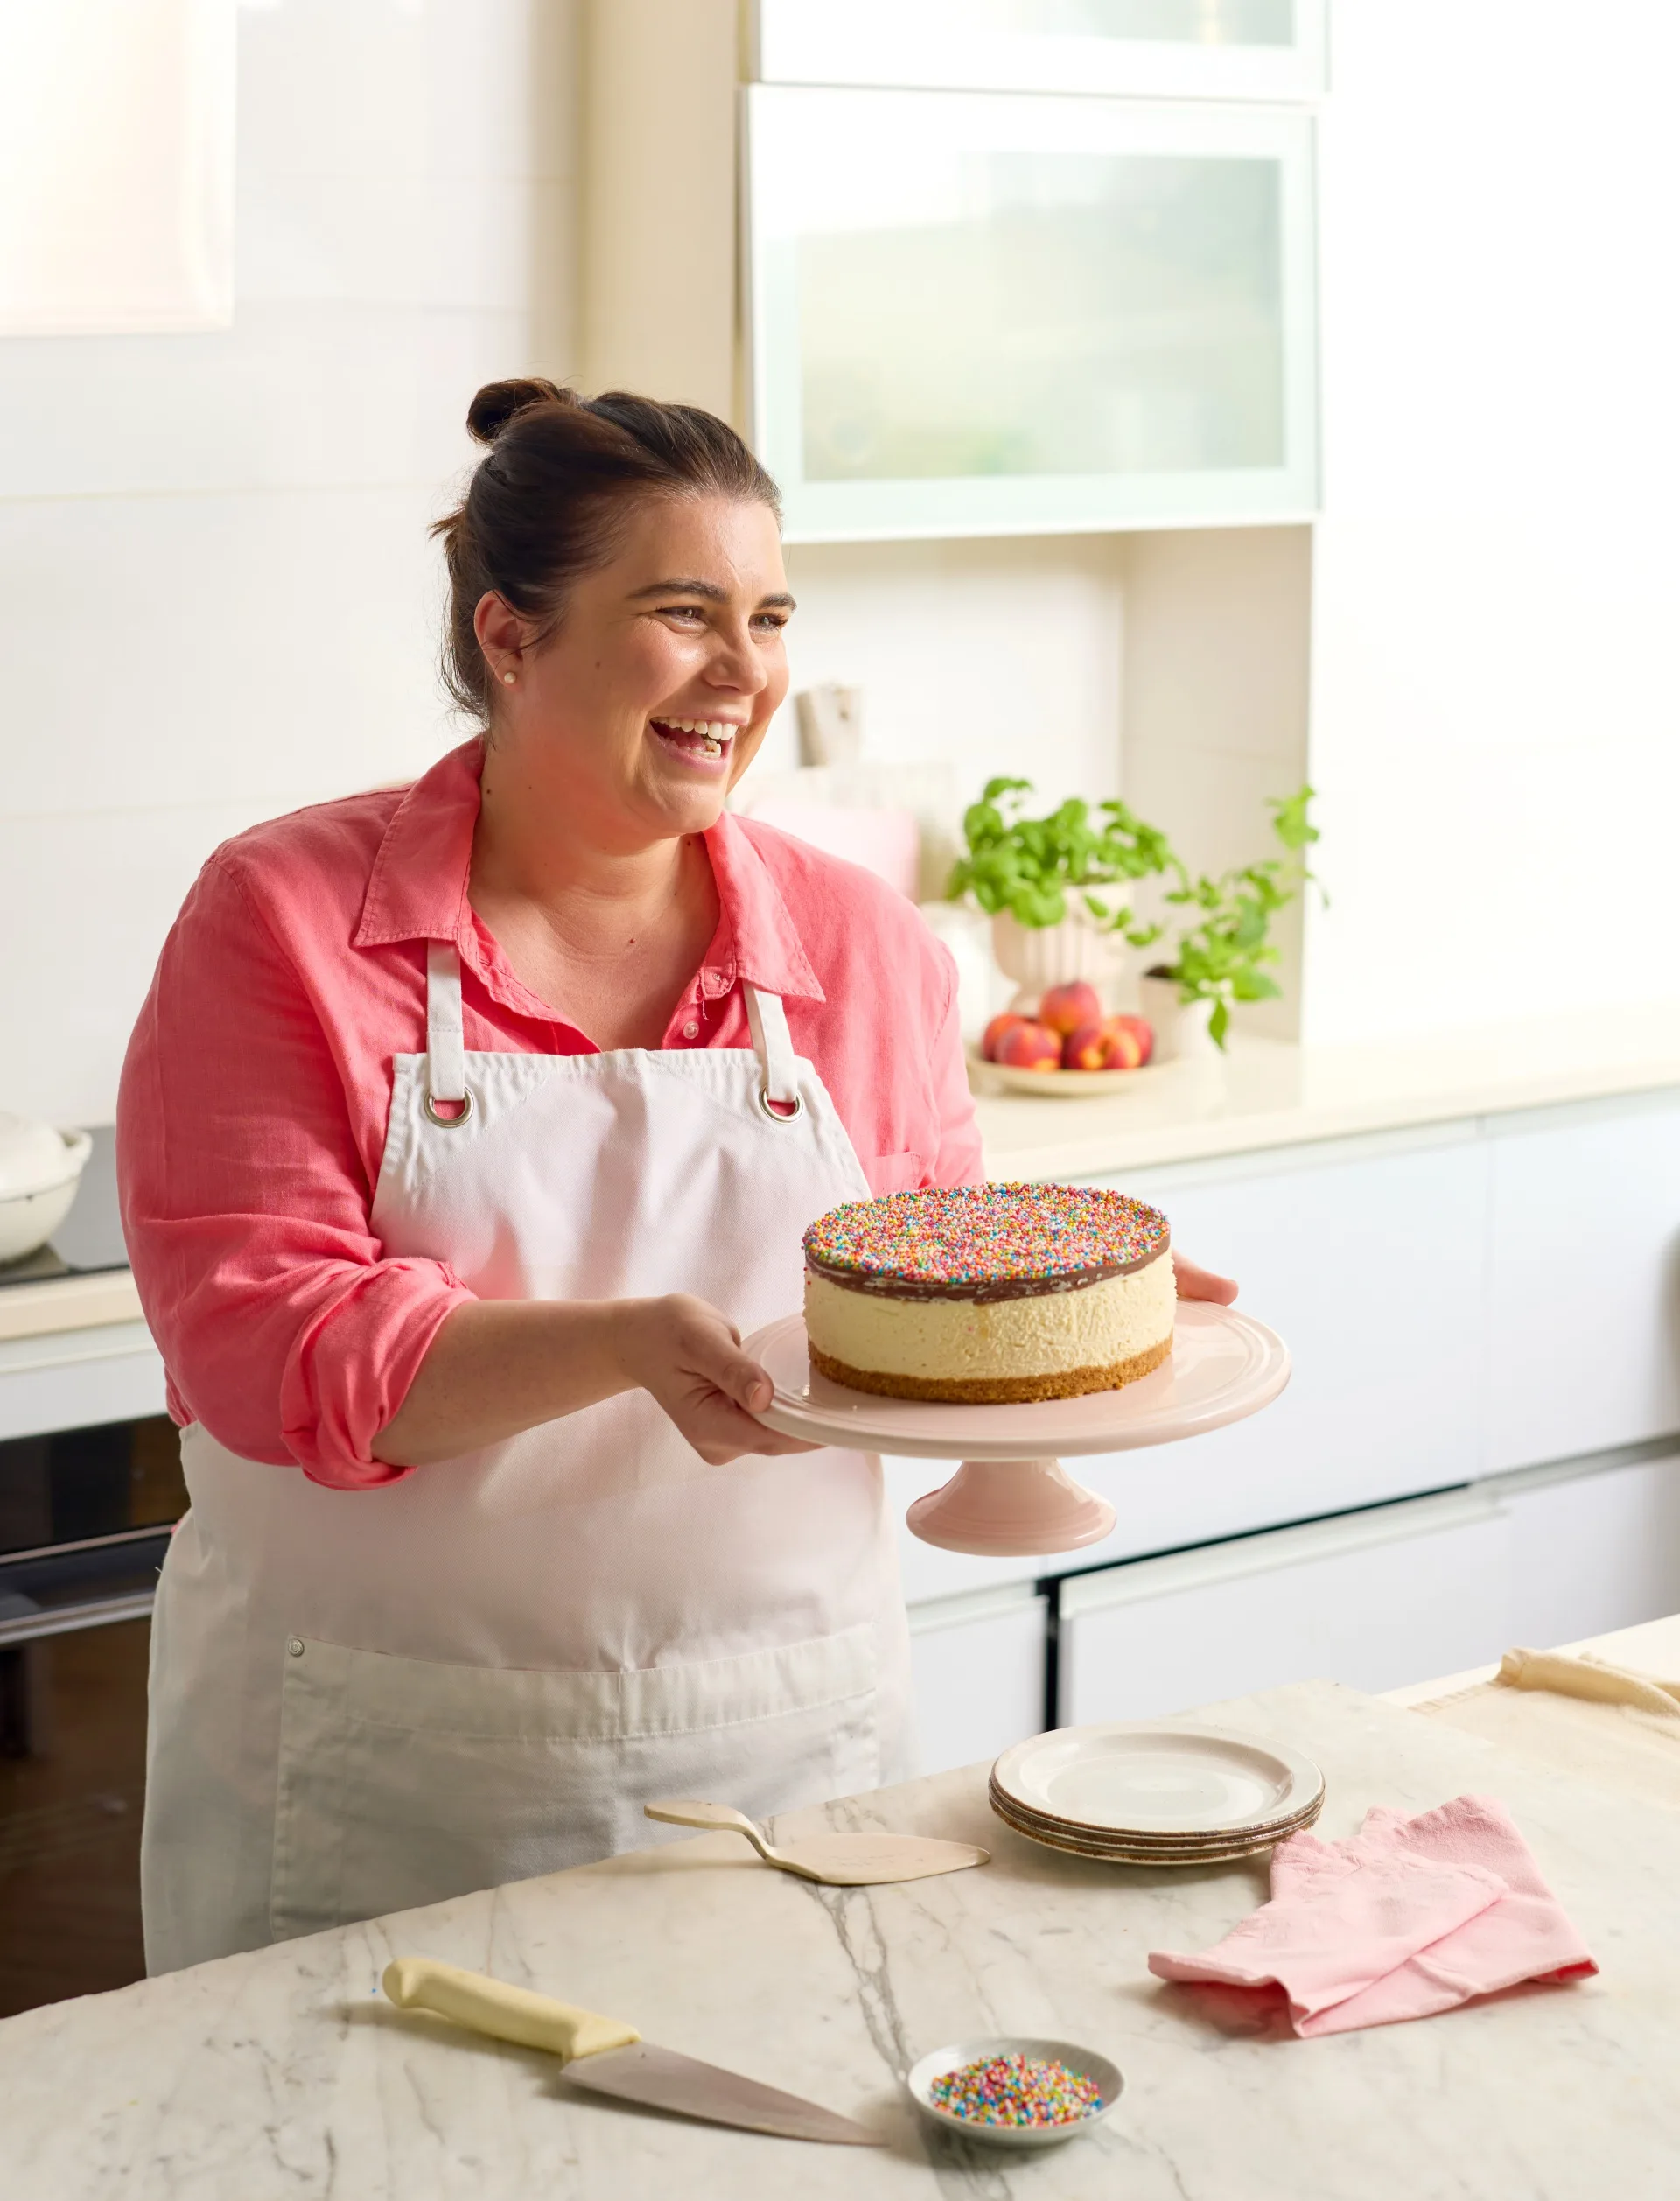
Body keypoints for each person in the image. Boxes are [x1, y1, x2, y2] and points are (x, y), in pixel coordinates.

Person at [118, 379, 1236, 1973]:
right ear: (511, 637)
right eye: (684, 612)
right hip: (378, 1765)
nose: (746, 671)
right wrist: (621, 1346)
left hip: (777, 1744)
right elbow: (267, 1348)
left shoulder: (859, 941)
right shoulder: (281, 917)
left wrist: (1061, 1324)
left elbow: (922, 1272)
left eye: (770, 615)